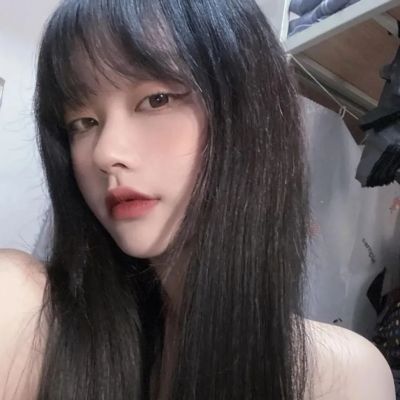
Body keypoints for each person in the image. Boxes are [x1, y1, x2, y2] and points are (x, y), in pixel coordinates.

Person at [0, 0, 395, 399]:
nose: (105, 153)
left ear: (249, 114)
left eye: (156, 99)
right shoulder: (23, 313)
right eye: (83, 122)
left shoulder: (343, 377)